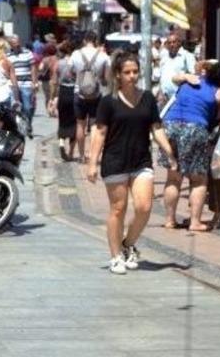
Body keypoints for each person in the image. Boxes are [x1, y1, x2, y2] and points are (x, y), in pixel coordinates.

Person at [87, 51, 174, 275]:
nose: (132, 76)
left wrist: (170, 152)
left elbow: (156, 128)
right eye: (127, 72)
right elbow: (99, 133)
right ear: (118, 75)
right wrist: (92, 163)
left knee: (144, 207)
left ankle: (127, 244)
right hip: (115, 160)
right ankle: (116, 256)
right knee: (118, 209)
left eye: (135, 71)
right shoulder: (108, 102)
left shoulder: (147, 98)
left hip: (140, 160)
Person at [161, 61, 220, 232]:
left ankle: (169, 220)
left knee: (173, 177)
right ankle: (195, 222)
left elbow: (174, 78)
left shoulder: (189, 81)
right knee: (199, 180)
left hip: (170, 126)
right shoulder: (219, 91)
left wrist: (185, 76)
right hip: (194, 128)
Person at [70, 31, 110, 162]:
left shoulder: (76, 54)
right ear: (96, 41)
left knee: (80, 125)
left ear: (84, 40)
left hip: (79, 93)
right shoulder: (103, 56)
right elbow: (106, 78)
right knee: (94, 126)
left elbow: (70, 73)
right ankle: (93, 155)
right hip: (96, 95)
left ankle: (81, 156)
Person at [50, 41, 78, 161]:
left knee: (62, 119)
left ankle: (61, 143)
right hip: (74, 92)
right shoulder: (77, 63)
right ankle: (71, 152)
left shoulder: (58, 63)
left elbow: (54, 82)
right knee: (74, 122)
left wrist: (52, 98)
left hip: (62, 92)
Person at [7, 35, 37, 136]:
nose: (17, 44)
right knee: (13, 108)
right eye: (15, 43)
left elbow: (33, 68)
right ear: (10, 44)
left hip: (26, 83)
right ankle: (18, 127)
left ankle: (28, 124)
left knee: (27, 107)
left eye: (18, 42)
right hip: (13, 85)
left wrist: (34, 82)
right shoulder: (7, 55)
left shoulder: (28, 53)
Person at [158, 31, 197, 105]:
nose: (171, 45)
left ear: (179, 43)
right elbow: (162, 77)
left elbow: (194, 75)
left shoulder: (187, 56)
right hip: (165, 99)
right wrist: (160, 92)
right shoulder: (164, 58)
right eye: (169, 43)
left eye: (174, 42)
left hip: (180, 98)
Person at [38, 43, 57, 107]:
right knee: (55, 96)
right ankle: (54, 108)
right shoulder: (57, 58)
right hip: (56, 79)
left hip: (46, 80)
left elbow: (40, 68)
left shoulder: (45, 59)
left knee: (47, 96)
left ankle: (49, 109)